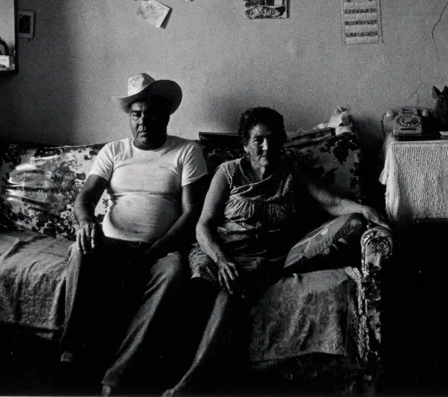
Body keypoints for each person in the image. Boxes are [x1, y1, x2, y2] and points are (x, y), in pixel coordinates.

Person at [163, 107, 388, 393]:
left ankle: (191, 383)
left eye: (272, 138)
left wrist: (365, 209)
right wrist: (221, 260)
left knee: (236, 291)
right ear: (245, 144)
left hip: (266, 258)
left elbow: (331, 203)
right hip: (223, 252)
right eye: (258, 140)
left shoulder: (291, 172)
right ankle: (191, 381)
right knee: (224, 291)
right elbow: (203, 226)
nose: (266, 146)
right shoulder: (228, 172)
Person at [58, 74, 209, 396]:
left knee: (173, 272)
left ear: (166, 115)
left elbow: (191, 213)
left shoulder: (186, 152)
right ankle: (72, 350)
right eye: (136, 114)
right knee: (78, 250)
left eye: (151, 113)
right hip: (111, 243)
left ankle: (117, 375)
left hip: (161, 248)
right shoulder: (114, 151)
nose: (143, 121)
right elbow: (84, 198)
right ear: (130, 117)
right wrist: (85, 223)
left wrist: (154, 252)